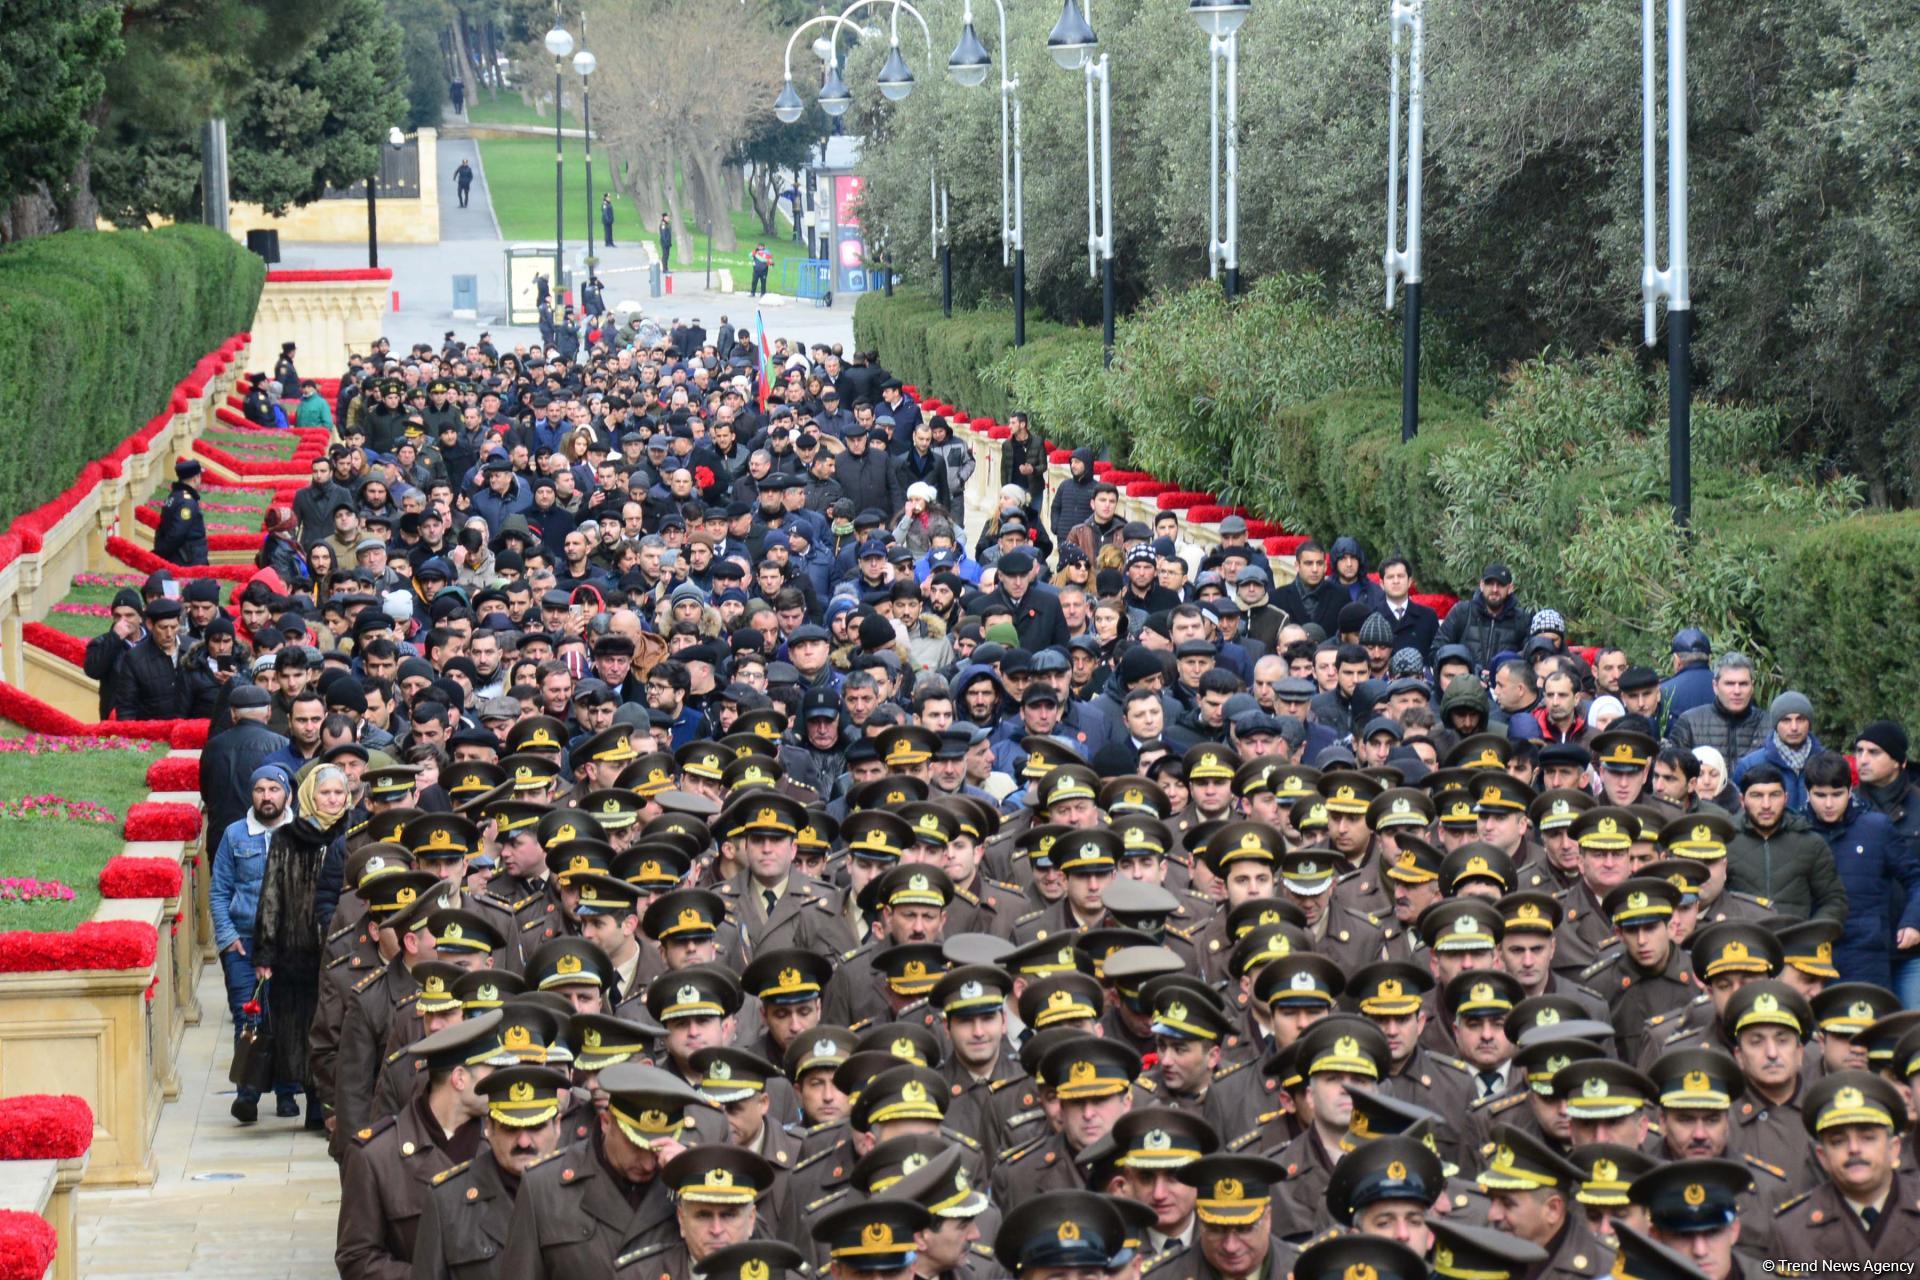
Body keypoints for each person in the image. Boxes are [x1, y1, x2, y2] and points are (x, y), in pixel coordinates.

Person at [250, 762, 353, 1127]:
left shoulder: (355, 833)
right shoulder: (288, 836)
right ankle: (301, 1095)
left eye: (338, 793)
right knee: (299, 1027)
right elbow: (272, 894)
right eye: (325, 793)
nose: (332, 799)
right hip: (296, 953)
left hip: (341, 949)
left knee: (334, 1026)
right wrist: (265, 950)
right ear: (311, 794)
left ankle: (324, 1101)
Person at [209, 762, 296, 1124]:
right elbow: (218, 891)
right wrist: (228, 939)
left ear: (286, 794)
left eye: (273, 789)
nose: (266, 796)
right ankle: (247, 1092)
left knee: (286, 1016)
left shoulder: (301, 833)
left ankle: (288, 1091)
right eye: (260, 790)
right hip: (243, 942)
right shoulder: (234, 835)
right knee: (249, 1015)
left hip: (288, 944)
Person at [152, 458, 209, 566]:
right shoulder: (187, 503)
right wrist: (161, 553)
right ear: (195, 478)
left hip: (181, 557)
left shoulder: (174, 496)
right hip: (187, 560)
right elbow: (177, 533)